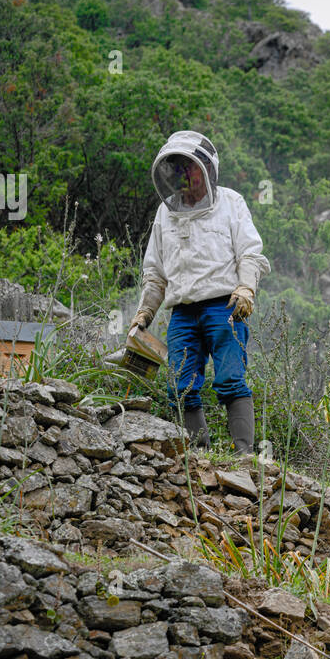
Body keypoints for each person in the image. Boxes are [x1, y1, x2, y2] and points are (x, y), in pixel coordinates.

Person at [130, 130, 270, 453]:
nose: (186, 175)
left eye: (191, 167)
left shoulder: (231, 203)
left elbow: (250, 252)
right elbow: (155, 273)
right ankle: (199, 457)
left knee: (231, 379)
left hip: (225, 306)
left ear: (208, 169)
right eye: (179, 168)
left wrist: (247, 288)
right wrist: (145, 312)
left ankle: (244, 455)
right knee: (180, 388)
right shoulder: (165, 214)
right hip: (182, 312)